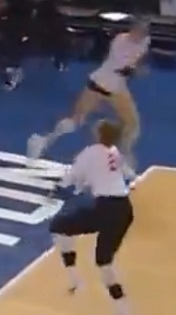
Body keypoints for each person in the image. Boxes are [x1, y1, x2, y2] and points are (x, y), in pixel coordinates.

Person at [28, 17, 150, 176]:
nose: (141, 34)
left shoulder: (145, 41)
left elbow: (141, 57)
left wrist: (139, 65)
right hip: (99, 85)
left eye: (144, 31)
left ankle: (123, 156)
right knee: (77, 120)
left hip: (118, 88)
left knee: (132, 124)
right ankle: (41, 142)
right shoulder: (120, 42)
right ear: (132, 30)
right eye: (139, 31)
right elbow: (124, 69)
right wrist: (138, 71)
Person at [48, 119, 134, 315]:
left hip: (105, 208)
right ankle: (124, 310)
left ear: (98, 135)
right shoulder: (114, 152)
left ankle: (73, 277)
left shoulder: (90, 152)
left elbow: (71, 177)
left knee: (59, 225)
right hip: (124, 209)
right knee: (104, 261)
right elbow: (128, 174)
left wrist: (57, 189)